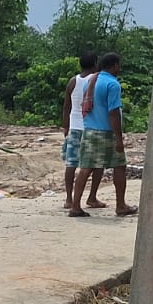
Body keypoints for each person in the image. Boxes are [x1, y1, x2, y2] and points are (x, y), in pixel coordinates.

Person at [71, 53, 137, 218]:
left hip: (89, 130)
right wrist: (119, 138)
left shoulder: (91, 81)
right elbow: (114, 112)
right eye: (118, 65)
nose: (119, 68)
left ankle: (75, 206)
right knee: (119, 166)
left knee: (85, 168)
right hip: (106, 132)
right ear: (114, 65)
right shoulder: (112, 84)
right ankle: (121, 205)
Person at [61, 51, 104, 210]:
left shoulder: (73, 81)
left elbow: (66, 106)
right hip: (91, 127)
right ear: (95, 63)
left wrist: (66, 126)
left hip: (74, 126)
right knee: (97, 164)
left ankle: (68, 198)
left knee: (71, 163)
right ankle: (92, 197)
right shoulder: (96, 80)